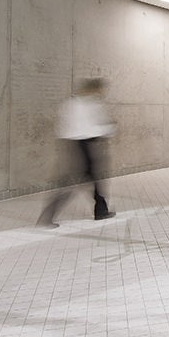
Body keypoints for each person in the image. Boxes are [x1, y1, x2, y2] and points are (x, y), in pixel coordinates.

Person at [37, 78, 116, 227]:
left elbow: (63, 127)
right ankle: (47, 217)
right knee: (75, 182)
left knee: (91, 179)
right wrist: (109, 128)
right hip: (85, 145)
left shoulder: (71, 103)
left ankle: (101, 210)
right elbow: (98, 127)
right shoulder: (92, 104)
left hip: (73, 145)